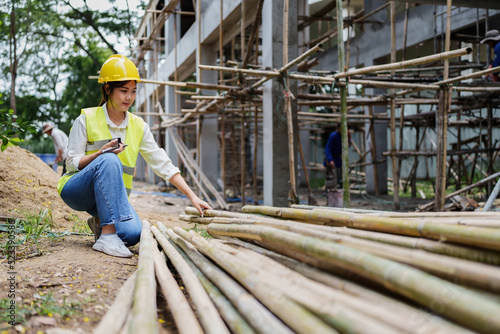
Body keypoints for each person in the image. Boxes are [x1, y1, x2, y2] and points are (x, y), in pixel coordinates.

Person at [57, 54, 211, 258]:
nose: (129, 97)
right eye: (123, 91)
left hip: (110, 198)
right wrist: (100, 154)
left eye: (133, 91)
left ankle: (100, 224)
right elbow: (71, 164)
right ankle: (108, 236)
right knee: (110, 159)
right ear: (108, 89)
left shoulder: (139, 126)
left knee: (131, 235)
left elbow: (162, 164)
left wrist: (192, 196)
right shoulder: (86, 119)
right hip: (76, 190)